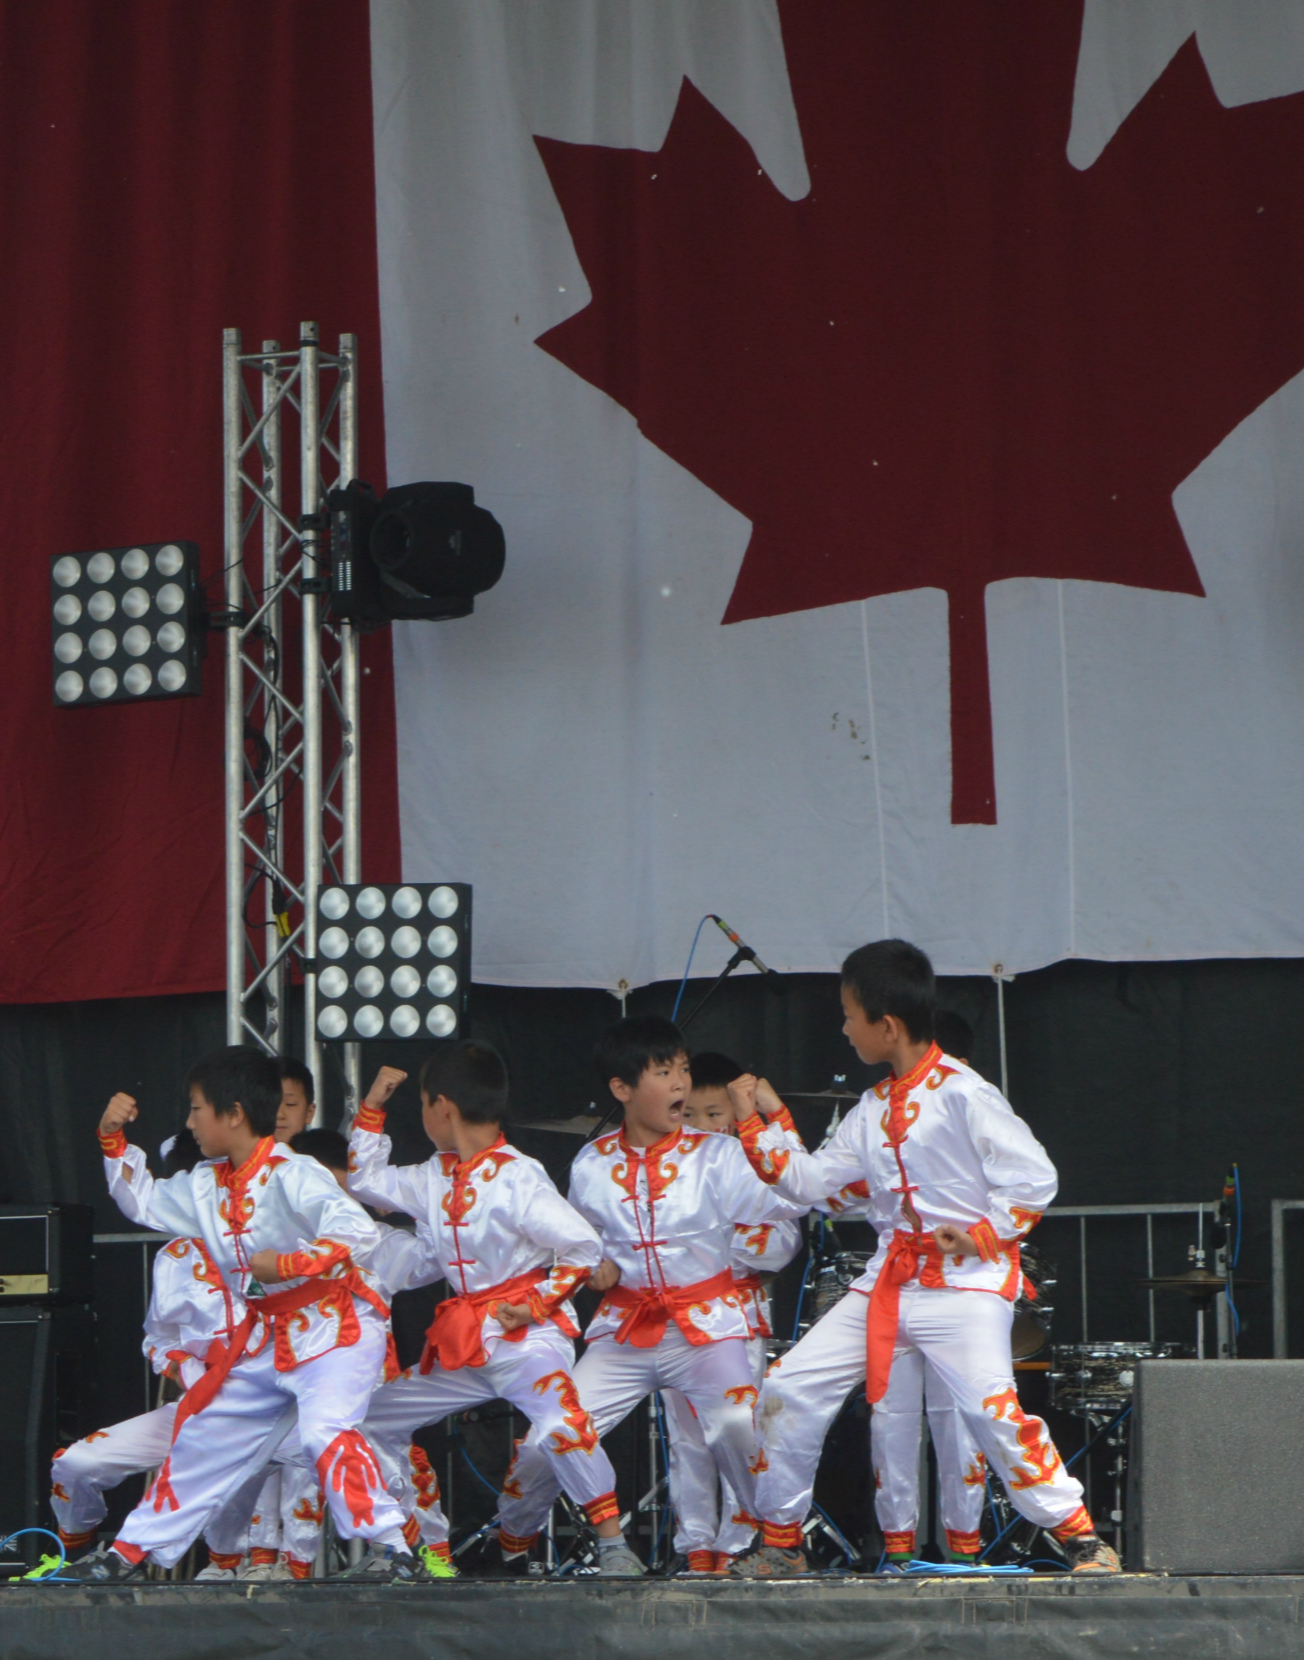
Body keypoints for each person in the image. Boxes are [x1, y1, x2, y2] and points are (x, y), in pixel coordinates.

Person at [727, 942, 1120, 1577]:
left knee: (990, 1410)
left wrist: (981, 1234)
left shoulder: (965, 1093)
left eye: (849, 1016)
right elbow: (810, 1184)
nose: (844, 1028)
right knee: (788, 1386)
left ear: (887, 1025)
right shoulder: (872, 1108)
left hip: (967, 1285)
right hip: (890, 1280)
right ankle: (782, 1543)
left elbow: (1034, 1178)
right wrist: (763, 1120)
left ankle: (1080, 1537)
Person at [62, 1045, 433, 1584]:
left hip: (336, 1327)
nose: (191, 1123)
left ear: (233, 1113)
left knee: (324, 1431)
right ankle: (127, 1553)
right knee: (206, 1434)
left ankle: (396, 1550)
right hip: (268, 1336)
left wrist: (288, 1263)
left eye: (197, 1109)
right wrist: (111, 1140)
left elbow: (354, 1230)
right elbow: (143, 1202)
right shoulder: (204, 1184)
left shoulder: (293, 1171)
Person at [493, 1016, 804, 1565]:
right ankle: (512, 1544)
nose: (681, 1083)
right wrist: (595, 1266)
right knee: (551, 1433)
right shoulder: (591, 1164)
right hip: (626, 1331)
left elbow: (791, 1196)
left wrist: (770, 1121)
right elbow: (578, 1245)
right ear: (622, 1088)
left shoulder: (718, 1155)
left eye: (683, 1069)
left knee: (737, 1422)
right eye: (664, 1073)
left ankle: (779, 1544)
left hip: (707, 1328)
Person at [347, 1044, 643, 1576]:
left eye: (422, 1105)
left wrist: (535, 1306)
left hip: (527, 1339)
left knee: (559, 1424)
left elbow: (581, 1247)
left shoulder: (518, 1175)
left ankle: (614, 1546)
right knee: (369, 1420)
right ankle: (412, 1548)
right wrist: (371, 1109)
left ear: (442, 1107)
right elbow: (365, 1181)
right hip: (467, 1342)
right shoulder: (432, 1176)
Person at [47, 1132, 259, 1576]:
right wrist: (186, 1368)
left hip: (269, 1406)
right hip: (197, 1403)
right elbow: (158, 1339)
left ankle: (230, 1568)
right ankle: (77, 1555)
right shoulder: (174, 1257)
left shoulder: (272, 1244)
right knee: (77, 1463)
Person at [661, 1050, 805, 1572]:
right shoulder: (666, 1169)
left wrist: (711, 1241)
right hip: (676, 1317)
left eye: (714, 1113)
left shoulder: (752, 1164)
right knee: (686, 1436)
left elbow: (780, 1244)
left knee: (737, 1427)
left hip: (736, 1314)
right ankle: (696, 1542)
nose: (701, 1125)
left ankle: (740, 1538)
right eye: (689, 1115)